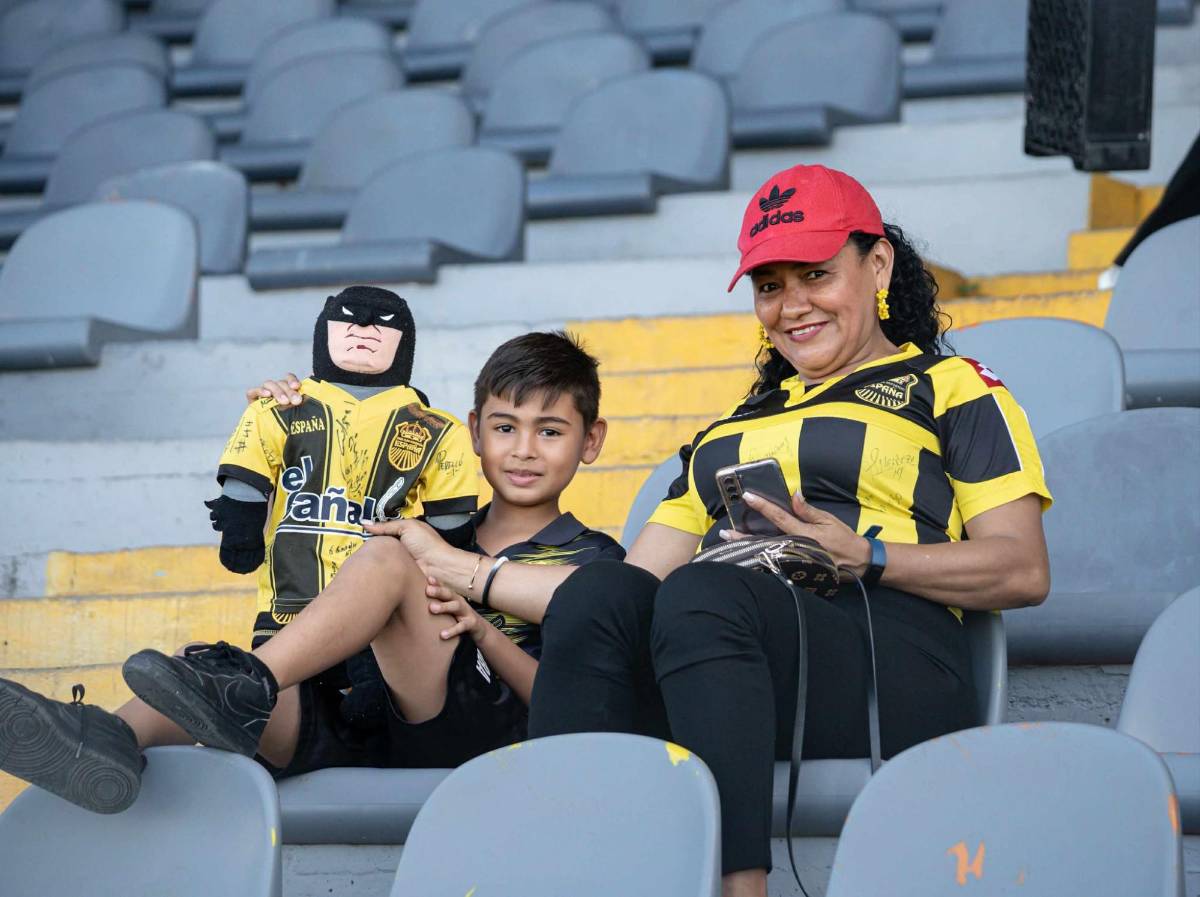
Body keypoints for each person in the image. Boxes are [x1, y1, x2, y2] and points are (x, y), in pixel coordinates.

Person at [370, 164, 1054, 897]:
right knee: (601, 594)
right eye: (770, 286)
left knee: (705, 594)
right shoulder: (730, 429)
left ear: (876, 262)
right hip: (733, 646)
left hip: (889, 653)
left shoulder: (953, 387)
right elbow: (631, 590)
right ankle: (560, 868)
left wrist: (869, 554)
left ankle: (739, 887)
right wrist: (460, 570)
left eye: (816, 274)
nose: (792, 305)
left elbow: (1022, 569)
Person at [0, 330, 621, 814]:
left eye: (551, 431)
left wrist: (483, 632)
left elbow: (567, 703)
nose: (523, 449)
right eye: (505, 427)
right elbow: (319, 499)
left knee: (385, 555)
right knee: (196, 674)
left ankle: (247, 681)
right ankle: (102, 740)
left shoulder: (594, 561)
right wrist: (288, 417)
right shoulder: (419, 514)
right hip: (376, 719)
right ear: (473, 433)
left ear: (590, 441)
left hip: (487, 735)